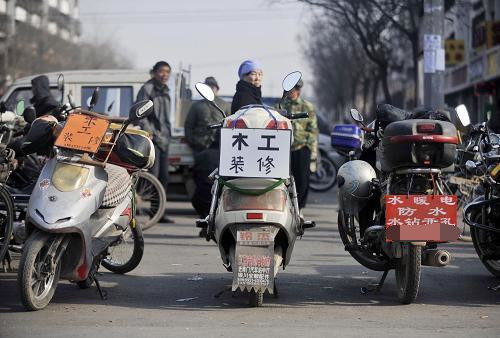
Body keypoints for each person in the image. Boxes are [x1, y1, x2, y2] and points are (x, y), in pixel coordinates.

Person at [136, 61, 174, 223]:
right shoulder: (147, 89)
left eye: (167, 72)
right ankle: (150, 211)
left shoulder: (166, 91)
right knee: (153, 176)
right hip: (153, 139)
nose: (164, 74)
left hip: (164, 139)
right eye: (161, 71)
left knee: (164, 177)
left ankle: (158, 212)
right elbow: (141, 114)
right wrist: (150, 132)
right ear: (154, 73)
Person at [282, 79, 318, 210]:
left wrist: (313, 152)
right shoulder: (280, 106)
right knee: (283, 180)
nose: (291, 92)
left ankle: (300, 208)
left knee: (303, 180)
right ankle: (286, 206)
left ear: (298, 90)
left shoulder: (307, 107)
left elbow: (313, 130)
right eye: (289, 89)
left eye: (294, 89)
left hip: (302, 147)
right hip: (283, 149)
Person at [184, 76, 230, 154]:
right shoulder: (196, 105)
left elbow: (230, 124)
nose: (210, 89)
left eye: (212, 87)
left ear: (217, 89)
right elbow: (189, 125)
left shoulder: (225, 105)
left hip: (219, 145)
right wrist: (193, 142)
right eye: (207, 87)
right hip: (200, 145)